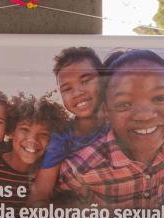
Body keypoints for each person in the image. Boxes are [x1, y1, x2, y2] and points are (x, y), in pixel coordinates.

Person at [55, 49, 164, 218]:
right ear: (106, 111)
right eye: (124, 104)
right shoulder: (79, 170)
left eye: (160, 98)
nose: (144, 116)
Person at [29, 47, 108, 202]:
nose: (78, 92)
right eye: (67, 89)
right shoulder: (62, 136)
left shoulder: (119, 123)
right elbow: (41, 192)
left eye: (85, 81)